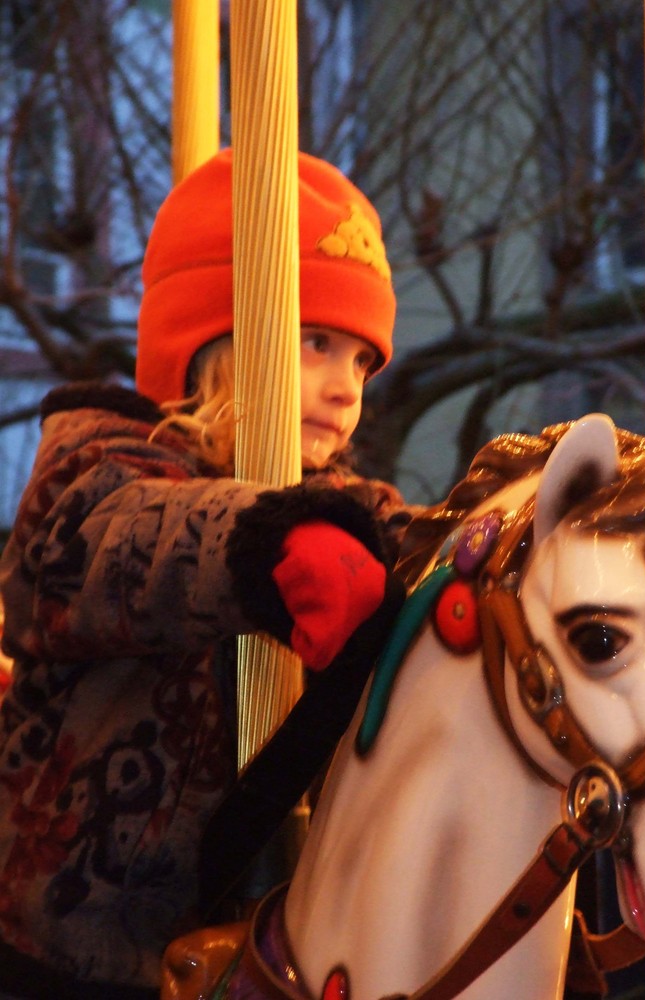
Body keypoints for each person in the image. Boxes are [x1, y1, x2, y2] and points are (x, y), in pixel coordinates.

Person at [0, 149, 412, 999]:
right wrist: (267, 547)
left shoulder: (338, 505)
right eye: (317, 344)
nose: (346, 390)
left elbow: (425, 543)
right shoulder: (97, 465)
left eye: (363, 363)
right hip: (68, 953)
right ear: (216, 340)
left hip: (247, 941)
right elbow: (128, 543)